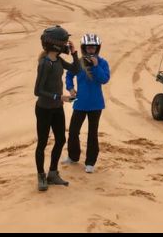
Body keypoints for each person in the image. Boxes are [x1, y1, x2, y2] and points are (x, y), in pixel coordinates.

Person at [34, 25, 79, 191]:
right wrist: (59, 97)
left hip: (57, 108)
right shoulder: (45, 64)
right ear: (55, 45)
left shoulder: (58, 60)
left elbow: (76, 68)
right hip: (44, 109)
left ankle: (53, 173)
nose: (66, 45)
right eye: (64, 43)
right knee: (42, 142)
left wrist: (74, 53)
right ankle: (41, 176)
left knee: (60, 140)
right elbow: (37, 90)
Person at [63, 33, 111, 174]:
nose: (91, 50)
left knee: (92, 134)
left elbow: (104, 79)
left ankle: (90, 162)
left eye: (94, 48)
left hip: (96, 105)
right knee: (72, 132)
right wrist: (70, 88)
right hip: (80, 103)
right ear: (84, 48)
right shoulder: (78, 62)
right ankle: (73, 156)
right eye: (88, 47)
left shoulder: (102, 63)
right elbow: (69, 75)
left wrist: (96, 67)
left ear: (97, 48)